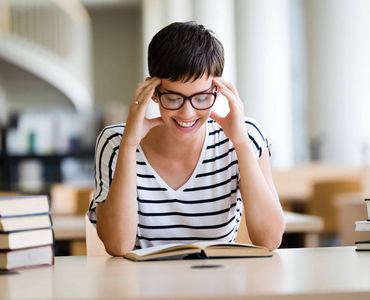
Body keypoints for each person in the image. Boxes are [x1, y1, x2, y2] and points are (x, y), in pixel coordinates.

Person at [87, 21, 285, 256]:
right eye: (173, 98)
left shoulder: (247, 136)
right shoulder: (116, 142)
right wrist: (129, 145)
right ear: (152, 91)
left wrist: (241, 144)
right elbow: (117, 246)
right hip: (144, 290)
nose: (187, 113)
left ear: (218, 91)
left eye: (201, 98)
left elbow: (271, 239)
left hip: (218, 287)